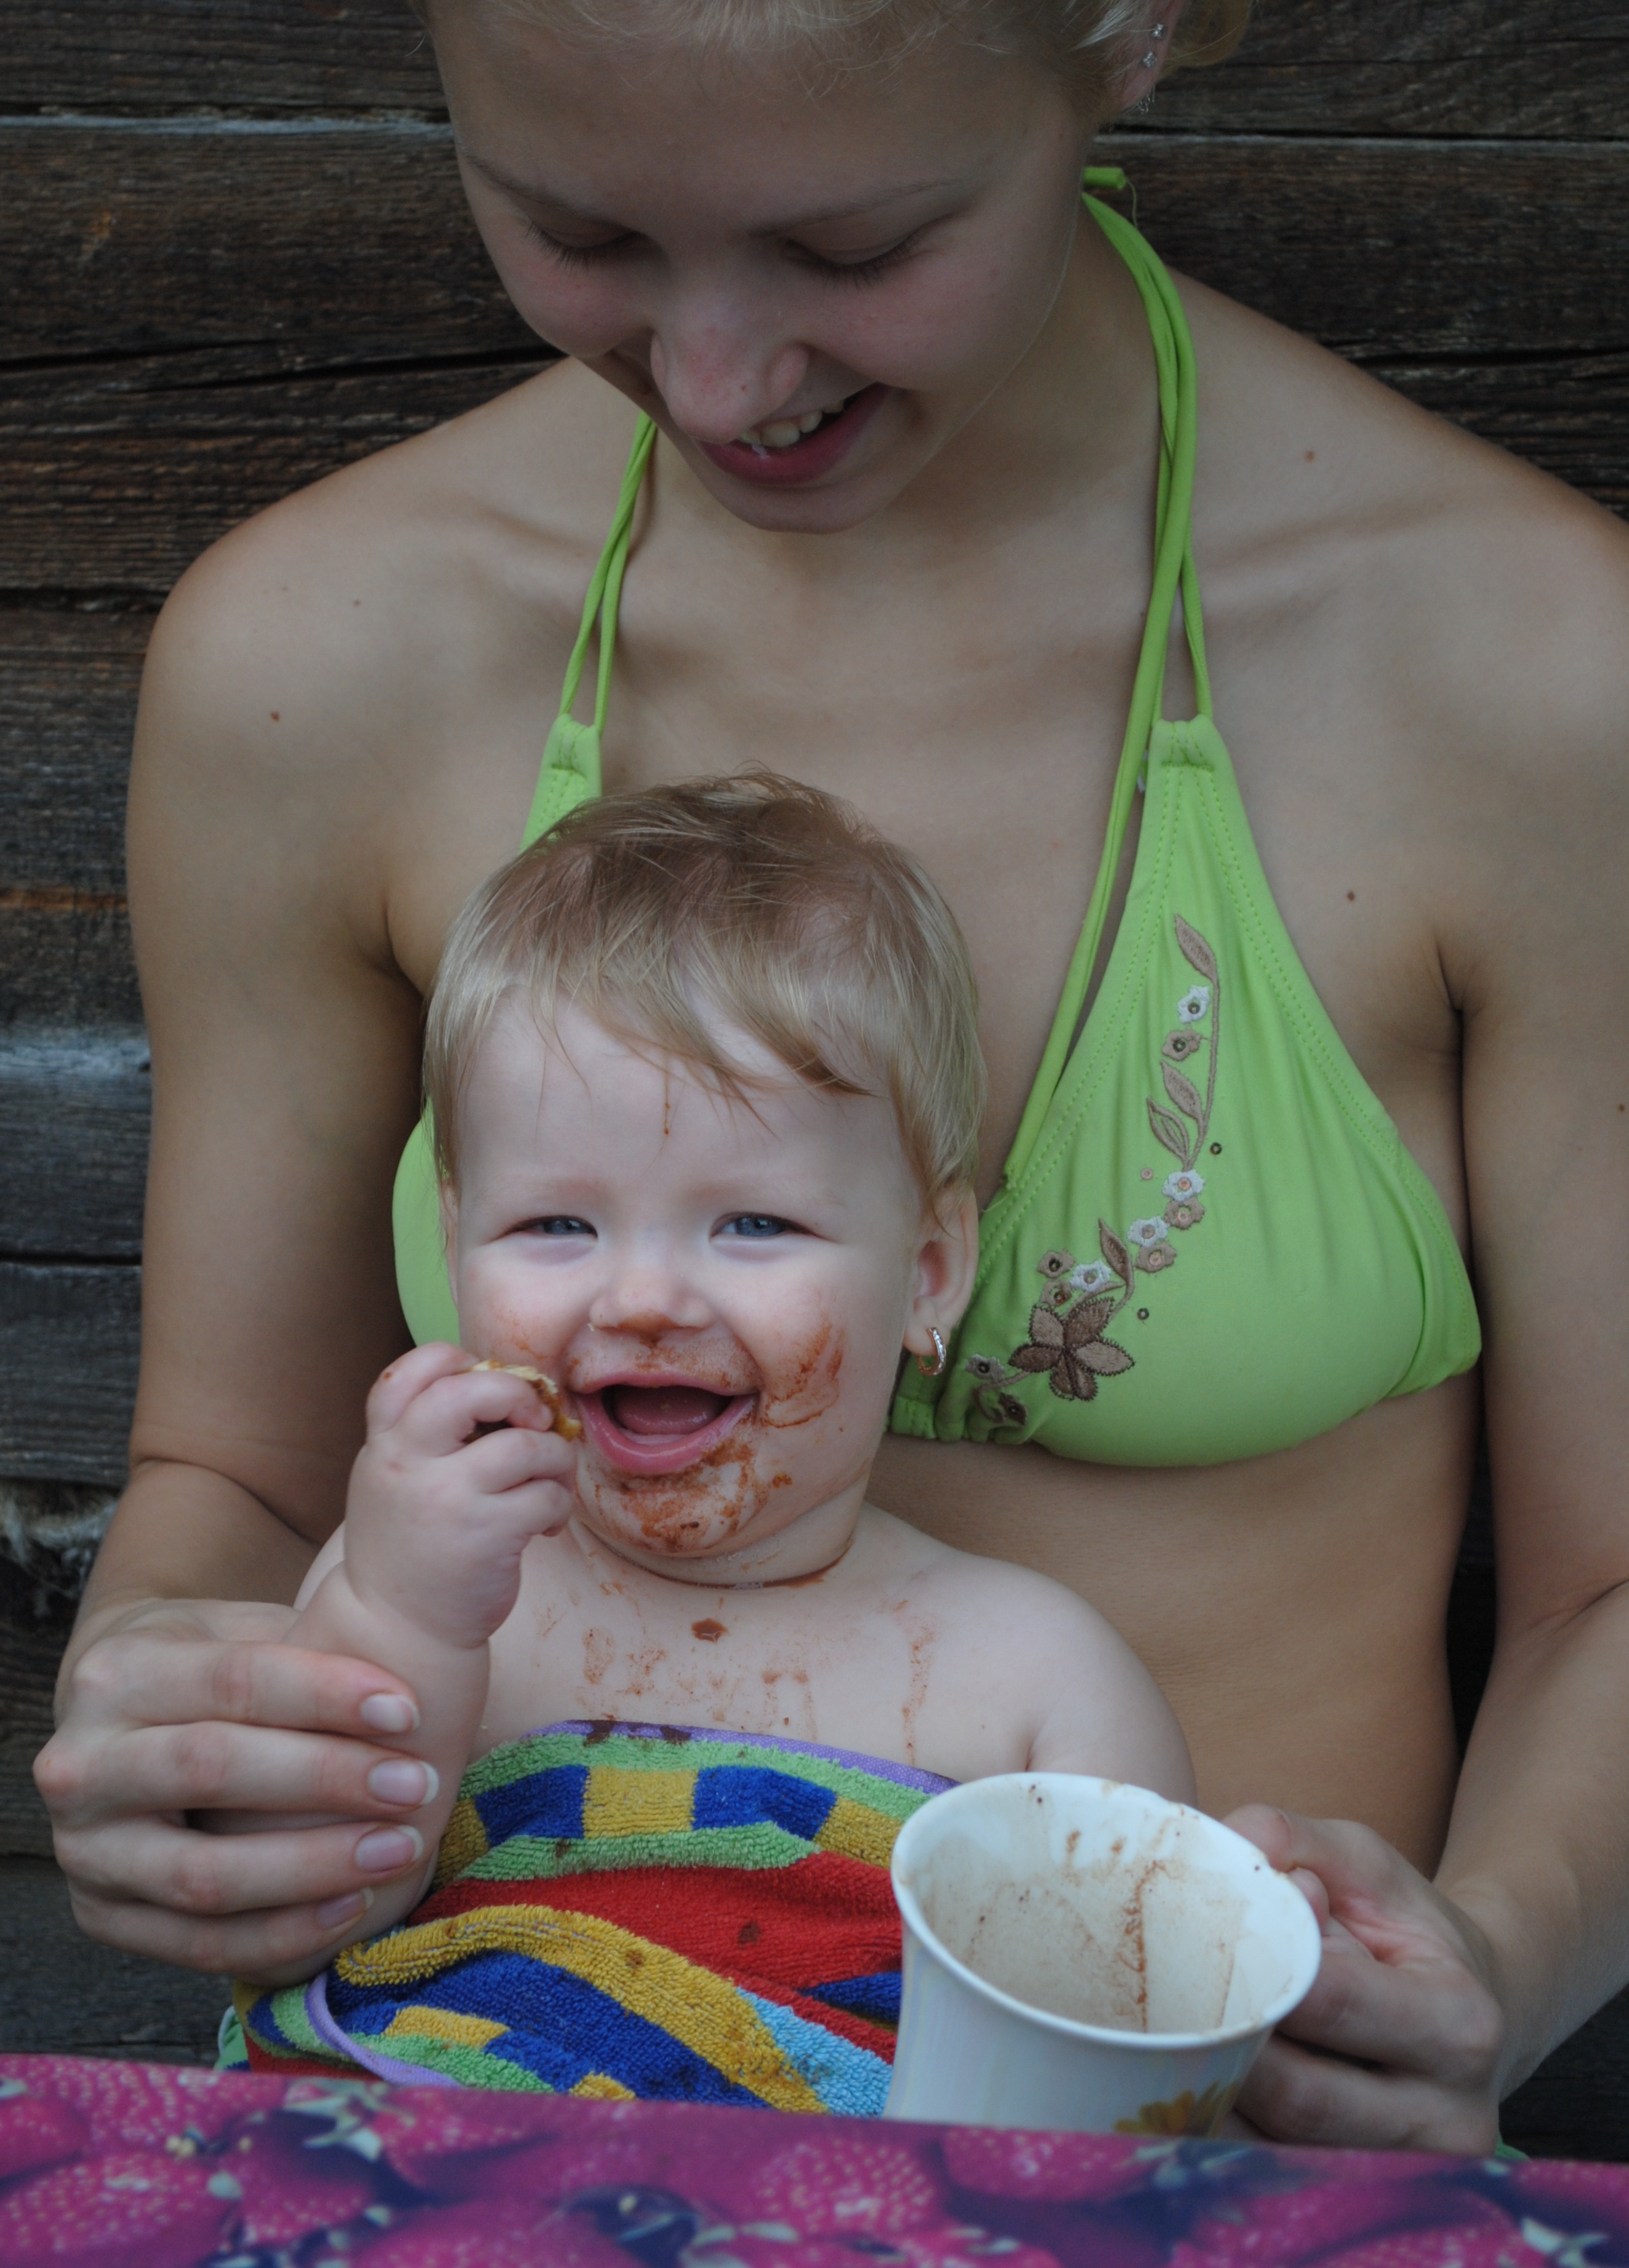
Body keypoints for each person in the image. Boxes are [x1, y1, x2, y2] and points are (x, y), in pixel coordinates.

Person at [33, 0, 1629, 2153]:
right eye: (580, 231)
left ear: (1135, 35)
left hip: (1185, 2165)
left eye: (859, 247)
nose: (718, 381)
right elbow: (229, 1474)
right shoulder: (319, 659)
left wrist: (1486, 1971)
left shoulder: (1529, 672)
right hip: (477, 2138)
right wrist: (171, 1706)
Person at [218, 774, 1193, 2101]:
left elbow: (1128, 2084)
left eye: (754, 1224)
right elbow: (285, 1936)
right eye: (557, 1224)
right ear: (453, 1247)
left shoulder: (1034, 1683)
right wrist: (405, 1624)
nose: (642, 1298)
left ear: (925, 1271)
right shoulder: (409, 1590)